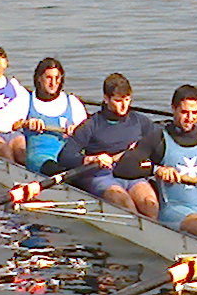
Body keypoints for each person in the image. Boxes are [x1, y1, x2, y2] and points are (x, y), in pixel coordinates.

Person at [113, 85, 197, 246]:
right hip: (175, 210)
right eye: (184, 112)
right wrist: (157, 170)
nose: (189, 118)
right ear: (174, 109)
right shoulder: (157, 139)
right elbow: (122, 167)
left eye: (194, 113)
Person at [56, 73, 159, 214]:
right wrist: (92, 159)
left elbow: (161, 142)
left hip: (132, 174)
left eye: (127, 100)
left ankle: (152, 230)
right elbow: (64, 156)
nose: (124, 106)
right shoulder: (91, 125)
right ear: (106, 99)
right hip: (102, 176)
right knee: (124, 202)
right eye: (118, 101)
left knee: (149, 203)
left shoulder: (139, 122)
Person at [0, 56, 88, 171]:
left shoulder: (72, 102)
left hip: (67, 157)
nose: (53, 83)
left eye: (57, 78)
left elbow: (89, 134)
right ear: (39, 78)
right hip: (39, 160)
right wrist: (24, 124)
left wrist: (78, 131)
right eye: (48, 78)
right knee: (54, 168)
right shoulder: (26, 100)